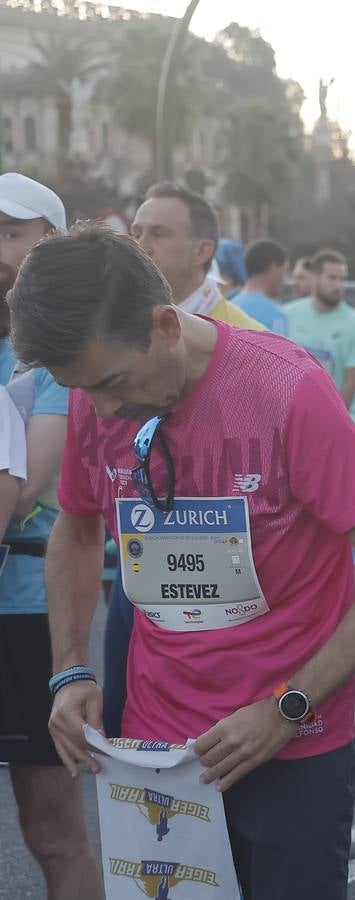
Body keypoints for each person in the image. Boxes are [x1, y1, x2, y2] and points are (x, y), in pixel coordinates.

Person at [11, 224, 355, 898]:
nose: (104, 409)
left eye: (112, 382)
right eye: (81, 389)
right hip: (156, 751)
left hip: (289, 740)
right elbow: (77, 526)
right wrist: (71, 668)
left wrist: (286, 707)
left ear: (165, 325)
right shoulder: (98, 398)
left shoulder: (287, 388)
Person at [104, 185, 270, 739]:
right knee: (129, 734)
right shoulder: (110, 336)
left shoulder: (253, 341)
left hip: (228, 575)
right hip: (138, 564)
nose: (140, 243)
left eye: (158, 233)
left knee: (219, 746)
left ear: (203, 250)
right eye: (136, 231)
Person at [0, 172, 102, 899]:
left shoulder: (61, 353)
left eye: (13, 233)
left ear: (51, 243)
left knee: (52, 830)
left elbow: (28, 482)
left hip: (31, 609)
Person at [130, 183, 263, 330]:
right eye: (136, 235)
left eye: (158, 234)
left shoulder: (249, 339)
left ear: (201, 251)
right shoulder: (117, 326)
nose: (140, 247)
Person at [283, 249, 355, 417]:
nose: (338, 286)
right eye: (332, 278)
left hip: (337, 420)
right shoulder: (287, 315)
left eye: (343, 279)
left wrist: (325, 421)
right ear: (315, 277)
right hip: (293, 418)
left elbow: (350, 386)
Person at [232, 239, 290, 335]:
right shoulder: (275, 315)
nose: (283, 279)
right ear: (274, 268)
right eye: (284, 270)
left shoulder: (229, 306)